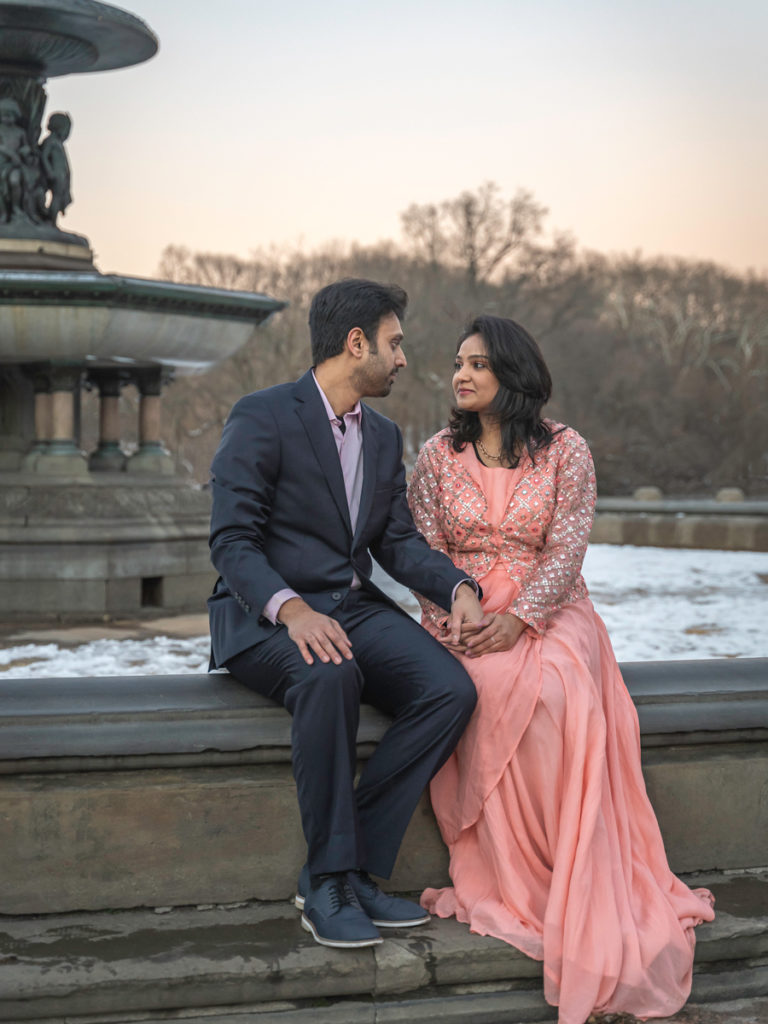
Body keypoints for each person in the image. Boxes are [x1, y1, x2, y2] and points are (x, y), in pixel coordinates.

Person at [407, 314, 715, 1024]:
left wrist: (522, 618)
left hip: (552, 607)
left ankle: (572, 880)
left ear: (513, 373)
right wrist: (455, 619)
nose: (461, 374)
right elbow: (420, 551)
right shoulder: (434, 455)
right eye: (457, 363)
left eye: (478, 363)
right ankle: (514, 876)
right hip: (462, 613)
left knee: (552, 691)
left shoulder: (566, 451)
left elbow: (568, 548)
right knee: (471, 686)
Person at [208, 278, 483, 950]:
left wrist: (457, 589)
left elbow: (397, 543)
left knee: (449, 691)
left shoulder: (384, 438)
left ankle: (353, 862)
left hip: (352, 607)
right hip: (265, 616)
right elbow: (231, 540)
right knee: (330, 677)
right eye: (394, 343)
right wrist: (293, 610)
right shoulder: (262, 414)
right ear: (354, 342)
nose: (403, 358)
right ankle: (325, 881)